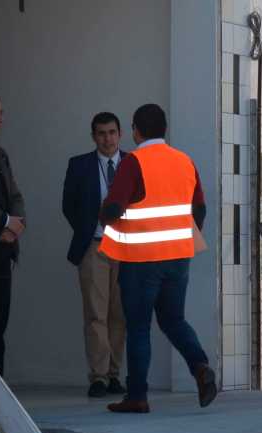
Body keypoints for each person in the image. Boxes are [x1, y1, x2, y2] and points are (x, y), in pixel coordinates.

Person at [99, 103, 216, 413]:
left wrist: (104, 217)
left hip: (141, 260)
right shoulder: (184, 161)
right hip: (178, 258)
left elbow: (114, 208)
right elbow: (200, 209)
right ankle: (200, 367)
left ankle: (137, 396)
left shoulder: (133, 162)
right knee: (173, 320)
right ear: (164, 129)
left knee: (139, 327)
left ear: (135, 130)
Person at [62, 112, 127, 397]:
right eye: (101, 133)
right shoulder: (79, 165)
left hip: (126, 248)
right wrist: (88, 229)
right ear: (93, 136)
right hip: (94, 247)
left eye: (112, 132)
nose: (107, 139)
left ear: (120, 134)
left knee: (120, 314)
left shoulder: (133, 163)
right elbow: (68, 205)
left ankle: (114, 375)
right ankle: (98, 377)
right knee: (95, 314)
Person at [0, 91, 26, 377]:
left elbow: (16, 195)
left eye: (1, 113)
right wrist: (3, 221)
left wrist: (15, 224)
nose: (1, 118)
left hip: (1, 255)